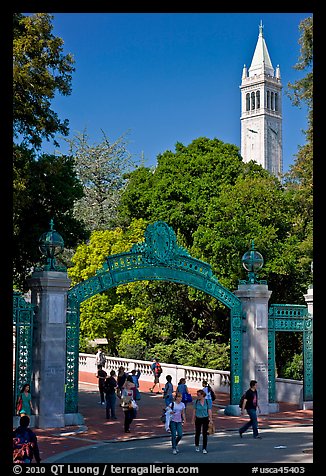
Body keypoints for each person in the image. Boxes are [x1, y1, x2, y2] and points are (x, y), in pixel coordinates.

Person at [191, 389, 213, 454]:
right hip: (198, 418)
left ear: (203, 395)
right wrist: (193, 419)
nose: (198, 396)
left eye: (199, 395)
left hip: (205, 418)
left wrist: (211, 419)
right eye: (197, 395)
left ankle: (204, 448)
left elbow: (209, 410)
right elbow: (194, 411)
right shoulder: (196, 402)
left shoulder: (207, 401)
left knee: (205, 434)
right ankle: (197, 445)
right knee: (197, 433)